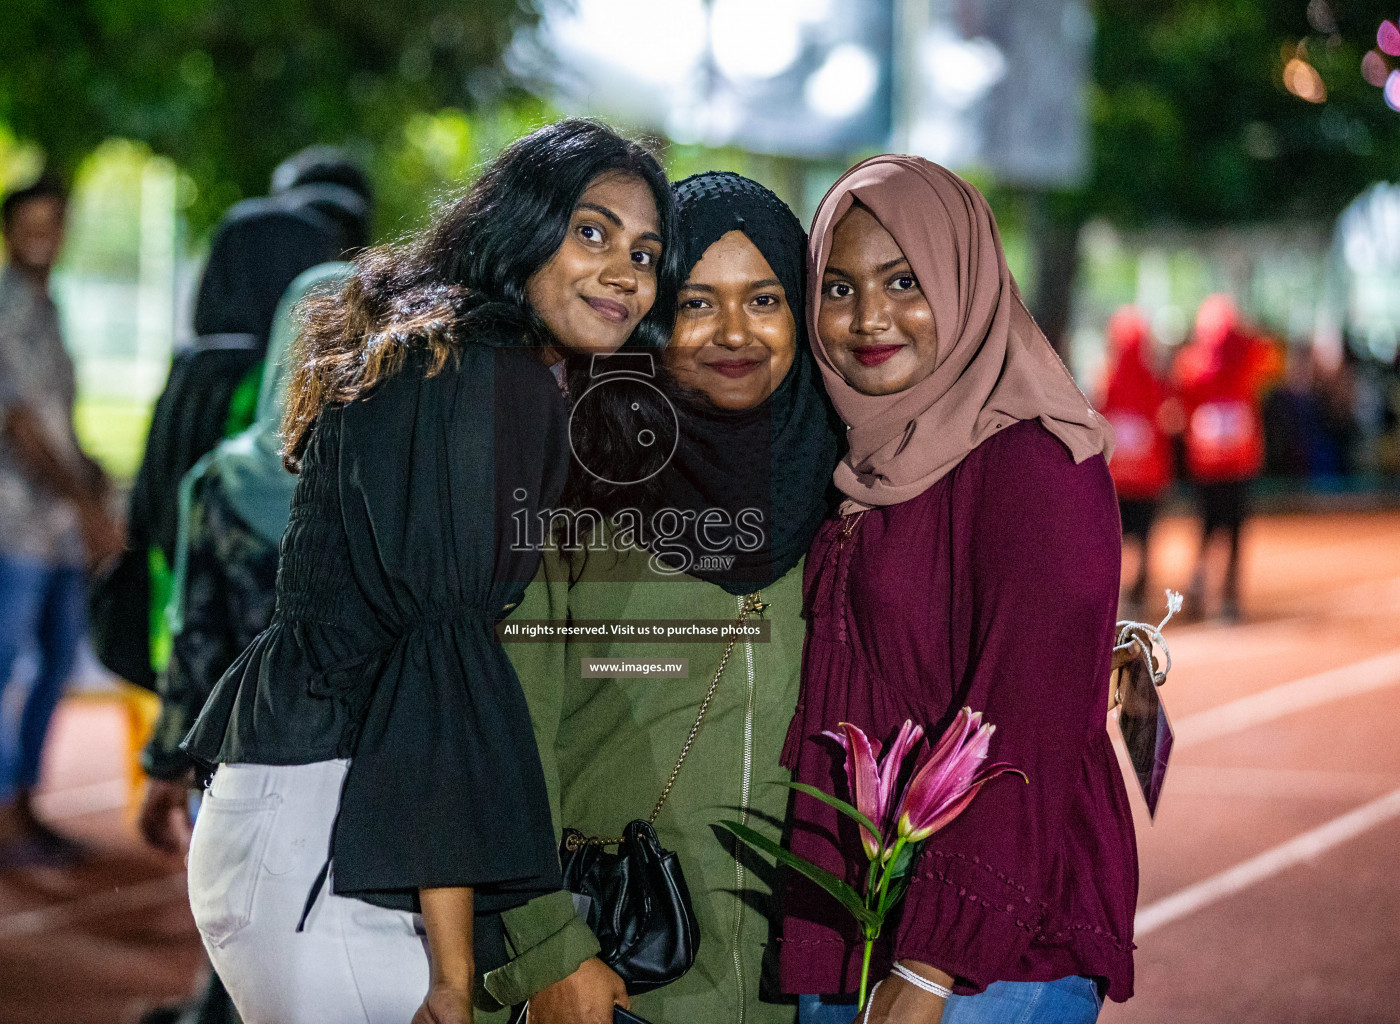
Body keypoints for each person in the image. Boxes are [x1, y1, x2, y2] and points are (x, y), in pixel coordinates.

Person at [179, 119, 677, 1024]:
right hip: (331, 841)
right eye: (592, 232)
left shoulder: (451, 346)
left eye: (644, 253)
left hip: (302, 815)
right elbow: (441, 660)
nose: (624, 273)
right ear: (524, 225)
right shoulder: (489, 370)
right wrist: (453, 975)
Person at [780, 156, 1133, 1024]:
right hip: (860, 932)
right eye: (839, 286)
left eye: (907, 281)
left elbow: (1027, 728)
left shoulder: (1036, 466)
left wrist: (936, 963)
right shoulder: (862, 462)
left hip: (988, 965)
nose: (870, 317)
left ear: (966, 277)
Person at [482, 172, 838, 1024]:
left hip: (788, 990)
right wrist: (547, 951)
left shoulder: (848, 500)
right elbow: (503, 735)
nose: (734, 334)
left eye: (765, 300)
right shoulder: (572, 491)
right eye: (695, 303)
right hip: (608, 975)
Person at [136, 262, 351, 1024]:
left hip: (241, 760)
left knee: (241, 931)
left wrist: (166, 765)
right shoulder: (383, 487)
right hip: (354, 762)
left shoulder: (221, 484)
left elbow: (195, 641)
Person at [93, 186, 344, 691]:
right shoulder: (285, 376)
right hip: (266, 640)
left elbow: (149, 500)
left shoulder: (190, 368)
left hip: (182, 615)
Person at [0, 176, 126, 869]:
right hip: (4, 519)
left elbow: (52, 415)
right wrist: (87, 509)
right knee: (0, 663)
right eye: (30, 222)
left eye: (54, 221)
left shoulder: (45, 304)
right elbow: (20, 422)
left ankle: (23, 805)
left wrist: (91, 471)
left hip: (50, 521)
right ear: (5, 228)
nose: (43, 234)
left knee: (55, 660)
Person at [1174, 294, 1277, 623]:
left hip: (1205, 462)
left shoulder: (1191, 364)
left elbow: (1183, 404)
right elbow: (1271, 357)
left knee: (1206, 525)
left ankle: (1198, 584)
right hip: (1239, 462)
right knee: (1234, 530)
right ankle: (1229, 596)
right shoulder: (1247, 360)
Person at [1097, 307, 1177, 618]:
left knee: (1112, 540)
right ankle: (1139, 591)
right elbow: (1164, 424)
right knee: (1143, 537)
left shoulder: (1105, 379)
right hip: (1146, 478)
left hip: (1114, 479)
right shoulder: (1153, 382)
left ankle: (1113, 594)